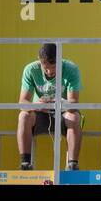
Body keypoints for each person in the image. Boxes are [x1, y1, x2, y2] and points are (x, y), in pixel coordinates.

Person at [18, 42, 82, 170]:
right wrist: (38, 105)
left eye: (54, 68)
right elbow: (22, 102)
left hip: (63, 112)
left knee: (74, 117)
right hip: (39, 112)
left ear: (61, 61)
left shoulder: (71, 69)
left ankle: (72, 164)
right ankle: (25, 163)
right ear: (39, 61)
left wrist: (59, 102)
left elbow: (73, 103)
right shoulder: (31, 69)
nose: (50, 72)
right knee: (23, 116)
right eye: (46, 68)